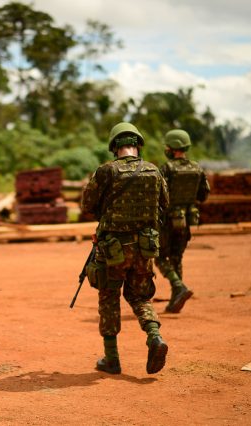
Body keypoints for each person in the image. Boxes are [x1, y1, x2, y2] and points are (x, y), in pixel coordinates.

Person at [80, 122, 170, 375]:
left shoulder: (106, 171)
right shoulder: (153, 171)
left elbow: (88, 204)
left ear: (114, 147)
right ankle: (154, 336)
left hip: (114, 249)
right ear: (138, 145)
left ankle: (112, 359)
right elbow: (165, 203)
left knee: (109, 296)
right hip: (145, 247)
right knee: (140, 297)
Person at [155, 129, 210, 313]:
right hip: (186, 221)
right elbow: (203, 195)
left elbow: (158, 194)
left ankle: (178, 286)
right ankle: (175, 298)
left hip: (167, 222)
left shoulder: (166, 169)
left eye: (167, 146)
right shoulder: (197, 168)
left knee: (159, 257)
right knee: (177, 258)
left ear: (173, 147)